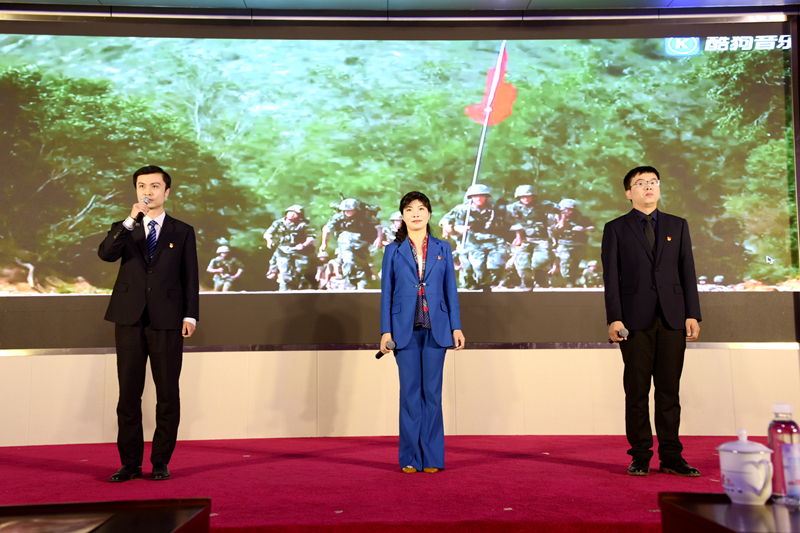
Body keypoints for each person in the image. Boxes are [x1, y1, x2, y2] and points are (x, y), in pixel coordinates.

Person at [98, 165, 199, 482]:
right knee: (129, 394)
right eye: (142, 186)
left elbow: (190, 275)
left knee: (168, 394)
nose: (148, 191)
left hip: (167, 320)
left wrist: (190, 315)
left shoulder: (182, 231)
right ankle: (129, 463)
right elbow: (106, 254)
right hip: (128, 319)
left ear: (166, 192)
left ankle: (160, 462)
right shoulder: (124, 227)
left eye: (155, 186)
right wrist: (130, 220)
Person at [601, 166, 702, 478]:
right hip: (634, 320)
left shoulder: (678, 225)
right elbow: (611, 279)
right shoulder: (615, 228)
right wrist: (614, 318)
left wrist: (692, 313)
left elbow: (687, 271)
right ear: (628, 193)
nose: (648, 187)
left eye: (653, 182)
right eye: (641, 183)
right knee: (637, 392)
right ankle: (640, 455)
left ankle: (671, 456)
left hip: (673, 318)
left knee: (669, 391)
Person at [380, 191, 465, 474]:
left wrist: (456, 326)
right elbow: (387, 294)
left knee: (433, 394)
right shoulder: (392, 250)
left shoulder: (443, 248)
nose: (415, 213)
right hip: (403, 331)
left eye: (420, 209)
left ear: (429, 214)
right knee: (409, 394)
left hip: (436, 328)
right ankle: (410, 458)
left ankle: (432, 458)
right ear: (402, 216)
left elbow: (450, 290)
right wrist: (385, 331)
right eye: (409, 209)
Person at [440, 184, 507, 289]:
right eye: (475, 196)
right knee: (475, 265)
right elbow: (446, 218)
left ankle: (492, 284)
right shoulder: (463, 209)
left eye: (481, 196)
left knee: (496, 264)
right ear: (470, 197)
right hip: (470, 240)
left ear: (486, 197)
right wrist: (448, 226)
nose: (478, 199)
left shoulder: (494, 209)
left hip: (491, 240)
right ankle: (470, 283)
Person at [320, 199, 381, 290]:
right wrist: (324, 243)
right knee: (348, 261)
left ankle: (362, 280)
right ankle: (350, 281)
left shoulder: (364, 216)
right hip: (345, 241)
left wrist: (379, 238)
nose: (348, 212)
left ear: (356, 209)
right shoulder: (338, 217)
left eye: (351, 210)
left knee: (363, 263)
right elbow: (326, 229)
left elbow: (378, 226)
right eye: (346, 210)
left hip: (361, 242)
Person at [505, 184, 551, 289]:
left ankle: (540, 279)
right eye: (523, 197)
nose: (526, 199)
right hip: (524, 238)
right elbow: (511, 223)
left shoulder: (543, 206)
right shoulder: (512, 208)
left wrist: (561, 221)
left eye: (528, 196)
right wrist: (518, 236)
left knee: (540, 261)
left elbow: (560, 210)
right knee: (522, 263)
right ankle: (526, 282)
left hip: (541, 238)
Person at [264, 205, 316, 291]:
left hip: (299, 250)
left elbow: (311, 237)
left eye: (295, 213)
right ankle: (285, 289)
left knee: (300, 271)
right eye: (290, 212)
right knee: (285, 271)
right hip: (283, 249)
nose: (292, 214)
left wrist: (303, 245)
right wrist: (269, 240)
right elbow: (268, 233)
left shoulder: (303, 224)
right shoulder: (278, 223)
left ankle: (298, 288)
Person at [550, 198, 594, 287]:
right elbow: (551, 230)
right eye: (565, 210)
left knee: (575, 263)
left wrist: (583, 229)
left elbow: (592, 228)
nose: (568, 212)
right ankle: (566, 280)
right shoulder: (555, 218)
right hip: (564, 243)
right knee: (565, 260)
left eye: (570, 210)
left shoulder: (581, 218)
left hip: (578, 244)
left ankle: (573, 281)